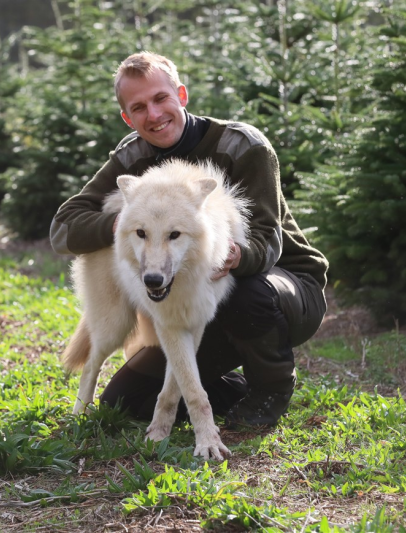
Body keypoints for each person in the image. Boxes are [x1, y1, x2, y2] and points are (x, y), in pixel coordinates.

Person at [50, 52, 328, 427]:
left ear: (181, 94)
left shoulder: (243, 145)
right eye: (139, 107)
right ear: (127, 118)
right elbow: (63, 229)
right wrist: (127, 224)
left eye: (160, 98)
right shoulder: (131, 157)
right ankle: (231, 391)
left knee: (246, 290)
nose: (153, 114)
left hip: (283, 286)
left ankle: (270, 392)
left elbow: (269, 242)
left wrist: (231, 255)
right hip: (194, 304)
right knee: (126, 402)